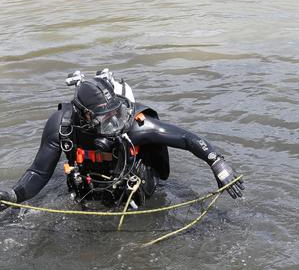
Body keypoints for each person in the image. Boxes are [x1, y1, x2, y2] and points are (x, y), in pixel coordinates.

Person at [0, 69, 244, 211]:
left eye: (116, 113)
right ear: (84, 115)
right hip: (88, 189)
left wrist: (218, 164)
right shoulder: (61, 126)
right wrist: (14, 196)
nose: (115, 122)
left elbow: (187, 138)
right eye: (105, 118)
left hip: (133, 192)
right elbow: (39, 173)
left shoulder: (135, 124)